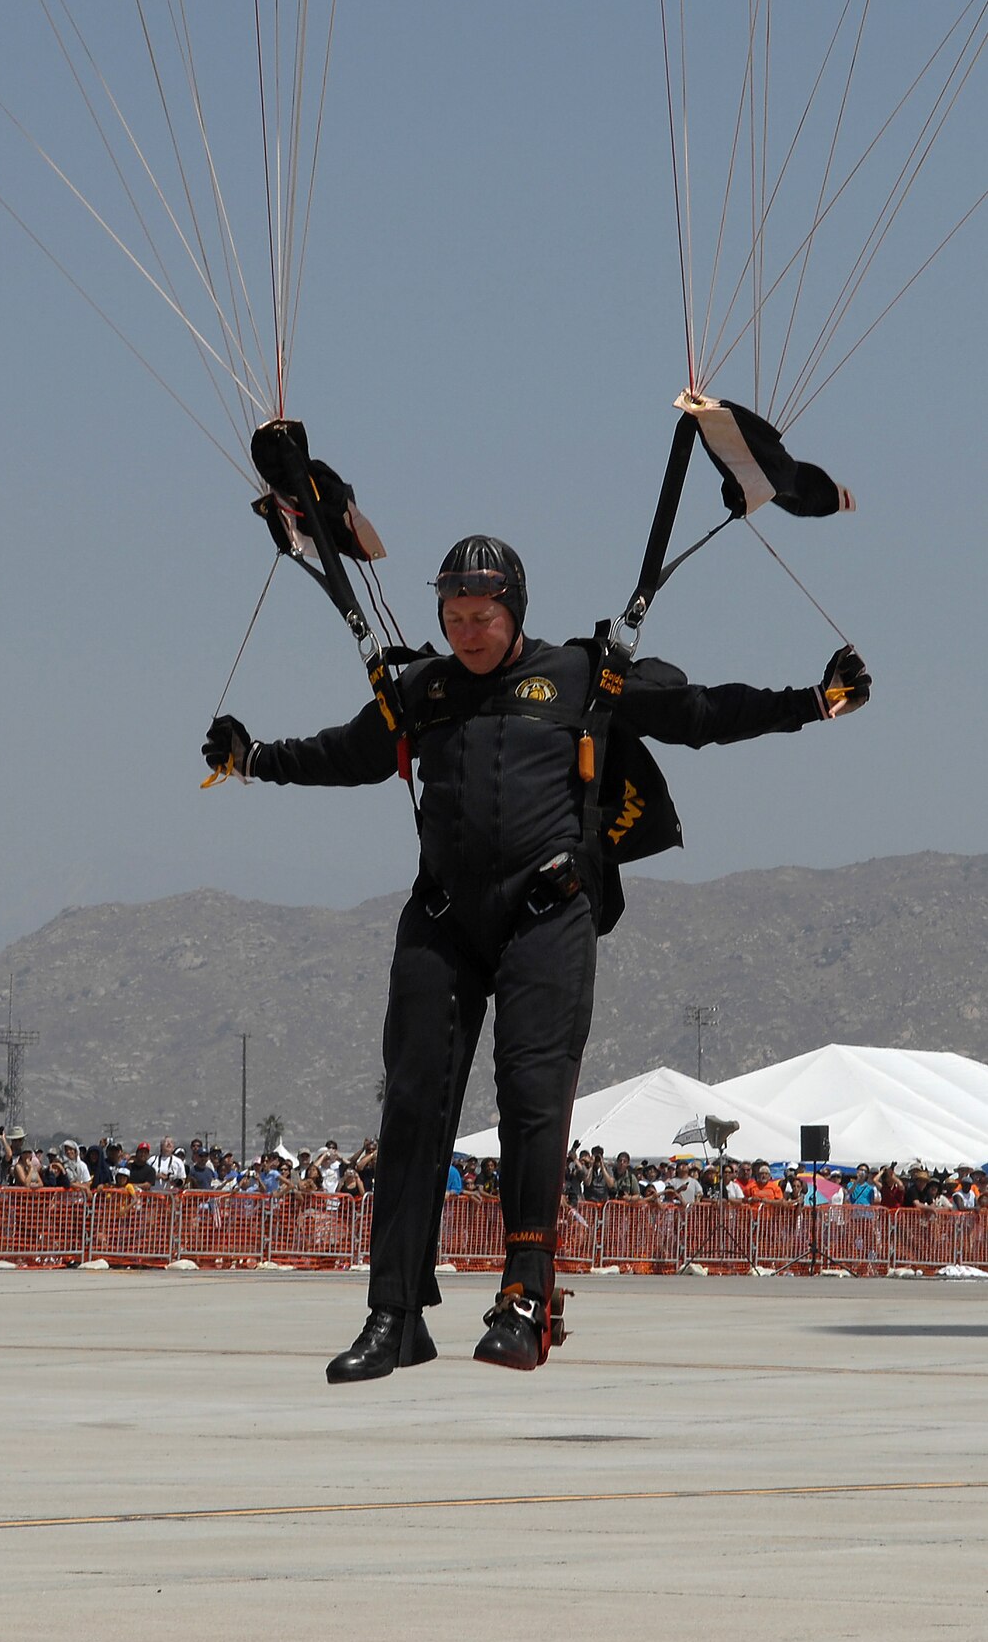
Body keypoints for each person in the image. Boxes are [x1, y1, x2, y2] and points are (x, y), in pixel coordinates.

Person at [204, 521, 870, 1383]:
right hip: (443, 917)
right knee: (410, 1104)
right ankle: (393, 1315)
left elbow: (699, 714)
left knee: (531, 1094)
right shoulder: (425, 690)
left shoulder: (580, 675)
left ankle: (525, 1299)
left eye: (482, 614)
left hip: (546, 913)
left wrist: (811, 703)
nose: (466, 631)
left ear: (513, 610)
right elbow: (350, 753)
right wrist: (254, 759)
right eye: (453, 613)